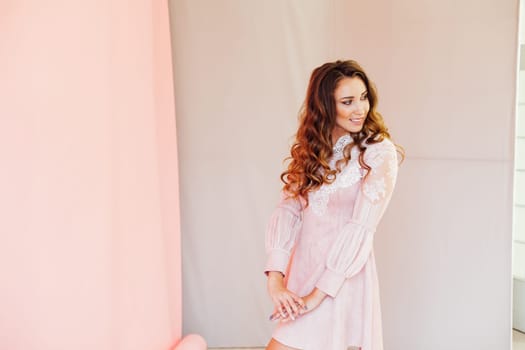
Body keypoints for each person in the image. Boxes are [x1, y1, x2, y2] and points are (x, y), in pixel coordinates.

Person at [264, 60, 404, 350]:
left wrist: (316, 296)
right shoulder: (312, 150)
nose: (360, 109)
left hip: (343, 282)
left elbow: (361, 229)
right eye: (348, 101)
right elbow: (287, 211)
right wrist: (276, 282)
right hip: (303, 274)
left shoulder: (378, 153)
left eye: (364, 98)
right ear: (326, 105)